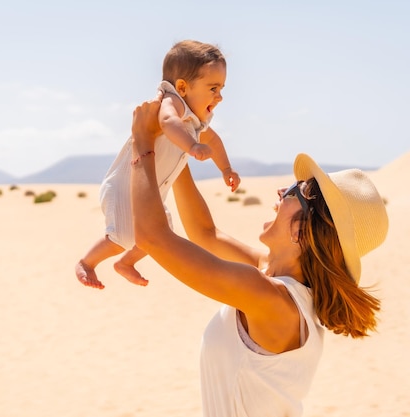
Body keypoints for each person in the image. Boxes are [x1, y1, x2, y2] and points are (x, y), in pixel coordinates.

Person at [128, 96, 389, 416]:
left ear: (301, 232)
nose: (281, 191)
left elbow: (153, 237)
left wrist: (143, 142)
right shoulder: (272, 278)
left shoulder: (272, 299)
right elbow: (205, 234)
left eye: (295, 191)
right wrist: (174, 147)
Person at [77, 40, 240, 289]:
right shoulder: (172, 103)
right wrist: (192, 146)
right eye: (213, 88)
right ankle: (87, 263)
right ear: (183, 87)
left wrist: (226, 169)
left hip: (152, 190)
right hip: (125, 186)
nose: (219, 97)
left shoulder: (196, 119)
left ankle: (125, 263)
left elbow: (214, 141)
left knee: (160, 234)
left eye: (221, 88)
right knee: (122, 236)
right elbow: (168, 122)